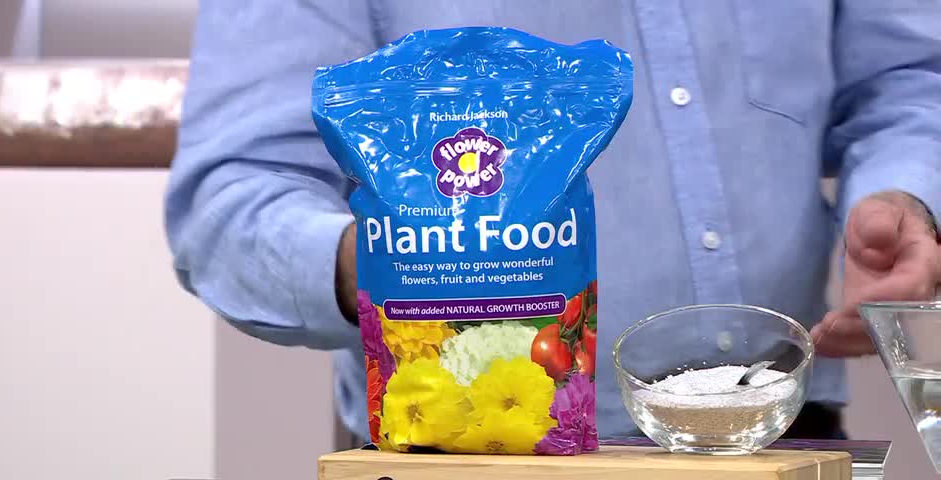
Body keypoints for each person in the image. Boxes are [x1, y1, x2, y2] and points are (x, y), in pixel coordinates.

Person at [166, 1, 941, 443]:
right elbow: (230, 198)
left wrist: (907, 193)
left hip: (786, 438)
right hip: (472, 469)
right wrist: (398, 267)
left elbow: (911, 78)